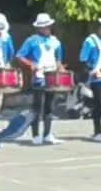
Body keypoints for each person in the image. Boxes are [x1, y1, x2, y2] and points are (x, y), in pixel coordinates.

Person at [16, 13, 65, 145]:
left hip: (52, 75)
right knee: (37, 107)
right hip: (39, 76)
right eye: (43, 27)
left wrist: (60, 67)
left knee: (50, 106)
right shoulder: (31, 41)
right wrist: (30, 64)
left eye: (48, 26)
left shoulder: (55, 41)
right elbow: (20, 56)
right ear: (38, 28)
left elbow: (58, 59)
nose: (46, 29)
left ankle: (47, 134)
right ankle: (36, 135)